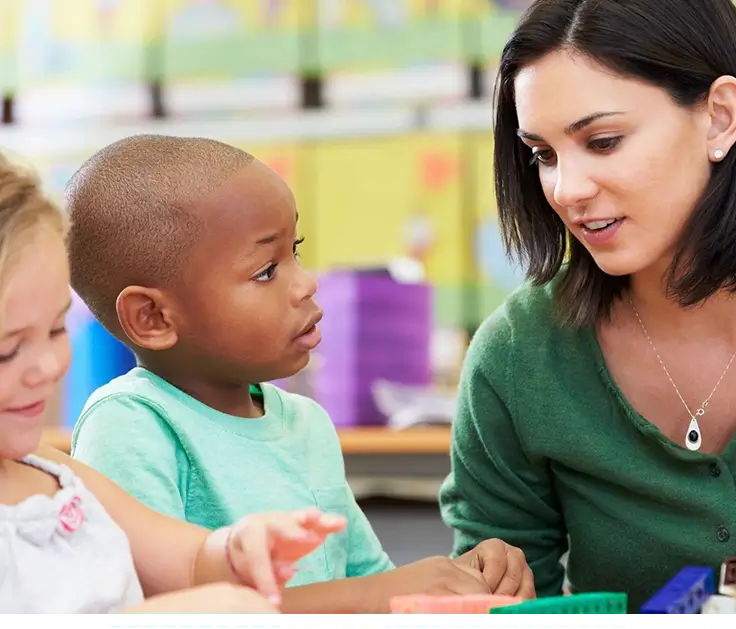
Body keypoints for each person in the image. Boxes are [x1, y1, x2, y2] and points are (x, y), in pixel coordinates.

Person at [438, 0, 736, 614]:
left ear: (719, 117)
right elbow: (504, 607)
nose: (567, 189)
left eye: (604, 141)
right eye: (544, 155)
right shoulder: (516, 355)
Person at [63, 135, 534, 615]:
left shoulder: (306, 423)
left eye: (297, 250)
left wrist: (464, 578)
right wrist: (382, 596)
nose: (307, 282)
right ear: (153, 318)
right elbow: (163, 614)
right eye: (266, 270)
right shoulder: (129, 424)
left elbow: (374, 590)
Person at [0, 154, 348, 615]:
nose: (47, 366)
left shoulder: (52, 473)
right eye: (7, 349)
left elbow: (186, 562)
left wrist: (235, 548)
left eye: (56, 330)